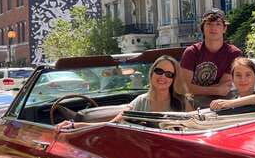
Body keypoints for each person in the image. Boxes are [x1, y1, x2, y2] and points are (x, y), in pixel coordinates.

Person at [56, 56, 192, 131]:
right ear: (151, 73)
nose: (163, 77)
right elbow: (111, 125)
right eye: (159, 71)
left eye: (169, 74)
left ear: (174, 79)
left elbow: (195, 130)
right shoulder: (140, 102)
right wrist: (74, 125)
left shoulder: (182, 102)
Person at [180, 8, 243, 104]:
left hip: (223, 103)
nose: (213, 28)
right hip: (193, 104)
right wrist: (216, 90)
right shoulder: (191, 52)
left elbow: (224, 88)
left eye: (218, 24)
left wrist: (195, 89)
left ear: (224, 28)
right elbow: (184, 87)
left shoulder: (234, 53)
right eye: (209, 24)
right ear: (202, 28)